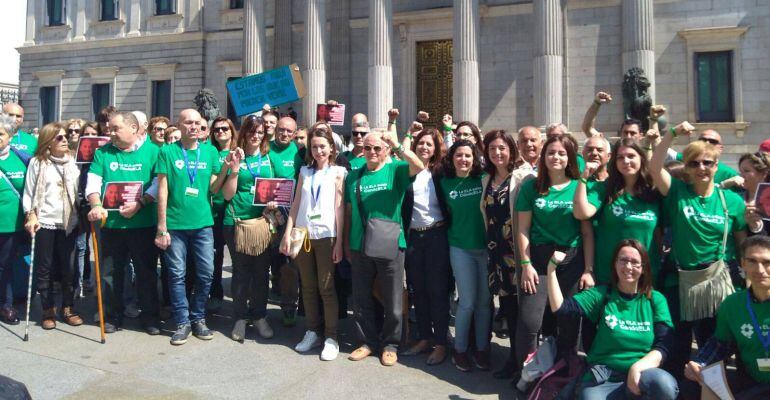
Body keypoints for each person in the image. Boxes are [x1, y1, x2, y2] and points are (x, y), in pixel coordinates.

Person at [650, 122, 747, 378]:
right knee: (676, 344)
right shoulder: (677, 193)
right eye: (694, 163)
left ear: (717, 165)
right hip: (680, 281)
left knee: (713, 347)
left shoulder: (733, 201)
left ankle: (714, 392)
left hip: (716, 282)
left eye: (707, 163)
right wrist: (671, 134)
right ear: (687, 169)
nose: (701, 168)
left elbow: (742, 244)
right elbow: (654, 166)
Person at [546, 240, 678, 400]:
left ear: (643, 268)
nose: (628, 267)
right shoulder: (602, 295)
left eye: (635, 262)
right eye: (623, 260)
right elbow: (560, 308)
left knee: (665, 385)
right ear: (615, 264)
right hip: (603, 375)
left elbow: (664, 345)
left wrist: (636, 368)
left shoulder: (655, 299)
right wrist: (551, 269)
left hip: (642, 374)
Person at [344, 128, 424, 367]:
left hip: (390, 244)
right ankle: (367, 341)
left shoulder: (395, 170)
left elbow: (418, 166)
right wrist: (347, 242)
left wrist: (398, 145)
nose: (372, 152)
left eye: (377, 148)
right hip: (360, 245)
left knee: (392, 298)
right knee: (361, 298)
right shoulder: (354, 175)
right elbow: (348, 211)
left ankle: (391, 344)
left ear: (386, 150)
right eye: (367, 148)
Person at [515, 135, 595, 368]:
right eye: (551, 152)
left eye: (561, 153)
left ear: (570, 156)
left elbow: (587, 233)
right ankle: (528, 374)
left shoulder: (579, 185)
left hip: (571, 259)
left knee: (569, 321)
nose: (555, 157)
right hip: (539, 259)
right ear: (543, 156)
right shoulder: (531, 186)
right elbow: (523, 229)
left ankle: (563, 373)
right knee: (530, 322)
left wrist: (588, 269)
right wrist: (525, 265)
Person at [154, 109, 230, 345]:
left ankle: (198, 317)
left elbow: (214, 188)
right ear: (179, 124)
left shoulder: (209, 152)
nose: (194, 127)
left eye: (198, 123)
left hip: (203, 224)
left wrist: (227, 167)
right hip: (175, 225)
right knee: (176, 275)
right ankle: (182, 321)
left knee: (206, 273)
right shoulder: (167, 151)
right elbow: (162, 190)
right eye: (189, 122)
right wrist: (161, 226)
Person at [85, 111, 161, 335]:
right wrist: (95, 205)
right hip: (111, 226)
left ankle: (150, 318)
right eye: (110, 128)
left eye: (116, 128)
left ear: (134, 129)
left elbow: (158, 183)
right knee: (110, 274)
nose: (111, 132)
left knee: (146, 273)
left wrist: (140, 204)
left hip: (143, 225)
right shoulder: (103, 153)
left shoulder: (154, 151)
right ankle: (111, 316)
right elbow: (93, 183)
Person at [280, 124, 346, 360]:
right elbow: (296, 204)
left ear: (331, 148)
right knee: (307, 286)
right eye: (315, 147)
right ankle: (312, 330)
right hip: (304, 234)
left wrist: (339, 242)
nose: (318, 151)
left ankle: (331, 336)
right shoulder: (305, 173)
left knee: (326, 287)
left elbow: (339, 209)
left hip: (327, 235)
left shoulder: (339, 172)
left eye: (322, 147)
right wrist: (287, 233)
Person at [681, 235, 770, 399]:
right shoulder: (732, 304)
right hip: (750, 380)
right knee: (691, 385)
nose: (760, 270)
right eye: (752, 261)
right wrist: (699, 364)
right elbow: (721, 344)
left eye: (767, 262)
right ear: (743, 264)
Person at [479, 130, 533, 378]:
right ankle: (514, 358)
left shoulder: (523, 177)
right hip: (496, 251)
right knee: (509, 306)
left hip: (518, 251)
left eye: (501, 148)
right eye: (492, 149)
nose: (497, 153)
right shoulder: (486, 179)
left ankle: (525, 361)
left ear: (511, 149)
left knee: (525, 310)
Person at [573, 138, 662, 285]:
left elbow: (659, 234)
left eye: (631, 156)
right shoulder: (604, 189)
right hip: (610, 276)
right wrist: (584, 178)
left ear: (641, 158)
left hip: (646, 277)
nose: (626, 161)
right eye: (620, 157)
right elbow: (581, 213)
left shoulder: (653, 191)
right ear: (614, 162)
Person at [436, 139, 491, 371]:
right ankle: (459, 351)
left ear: (474, 158)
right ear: (452, 158)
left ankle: (481, 349)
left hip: (486, 249)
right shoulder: (444, 183)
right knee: (467, 302)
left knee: (485, 303)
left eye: (468, 155)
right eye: (459, 155)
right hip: (460, 248)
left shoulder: (483, 180)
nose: (463, 159)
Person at [22, 122, 83, 330]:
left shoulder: (74, 161)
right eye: (59, 137)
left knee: (69, 268)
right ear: (48, 141)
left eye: (66, 136)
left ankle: (68, 307)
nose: (65, 139)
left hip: (69, 222)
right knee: (44, 268)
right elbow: (29, 192)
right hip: (45, 221)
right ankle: (48, 309)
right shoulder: (38, 163)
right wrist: (31, 215)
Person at [399, 126, 451, 366]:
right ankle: (424, 337)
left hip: (437, 235)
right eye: (421, 143)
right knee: (417, 289)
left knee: (437, 290)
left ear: (436, 148)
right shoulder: (406, 171)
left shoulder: (440, 172)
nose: (424, 147)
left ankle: (441, 343)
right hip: (413, 237)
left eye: (429, 144)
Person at [221, 116, 276, 341]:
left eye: (260, 132)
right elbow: (227, 194)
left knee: (262, 273)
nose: (256, 136)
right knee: (242, 273)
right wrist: (234, 169)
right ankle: (240, 318)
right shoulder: (234, 156)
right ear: (244, 132)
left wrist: (273, 201)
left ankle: (260, 316)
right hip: (236, 222)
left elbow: (276, 187)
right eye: (252, 131)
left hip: (261, 224)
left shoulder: (268, 158)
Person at [208, 117, 238, 312]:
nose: (220, 132)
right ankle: (215, 293)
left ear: (232, 131)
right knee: (215, 257)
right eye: (217, 129)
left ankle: (239, 297)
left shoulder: (239, 151)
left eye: (224, 128)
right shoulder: (210, 152)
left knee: (239, 259)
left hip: (234, 212)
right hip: (214, 212)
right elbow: (212, 188)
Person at [0, 113, 27, 325]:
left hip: (10, 224)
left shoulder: (22, 159)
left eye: (1, 134)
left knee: (5, 266)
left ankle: (5, 305)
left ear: (9, 136)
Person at [738, 151, 770, 236]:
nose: (741, 175)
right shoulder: (737, 199)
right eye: (740, 171)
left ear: (763, 174)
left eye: (746, 171)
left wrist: (757, 226)